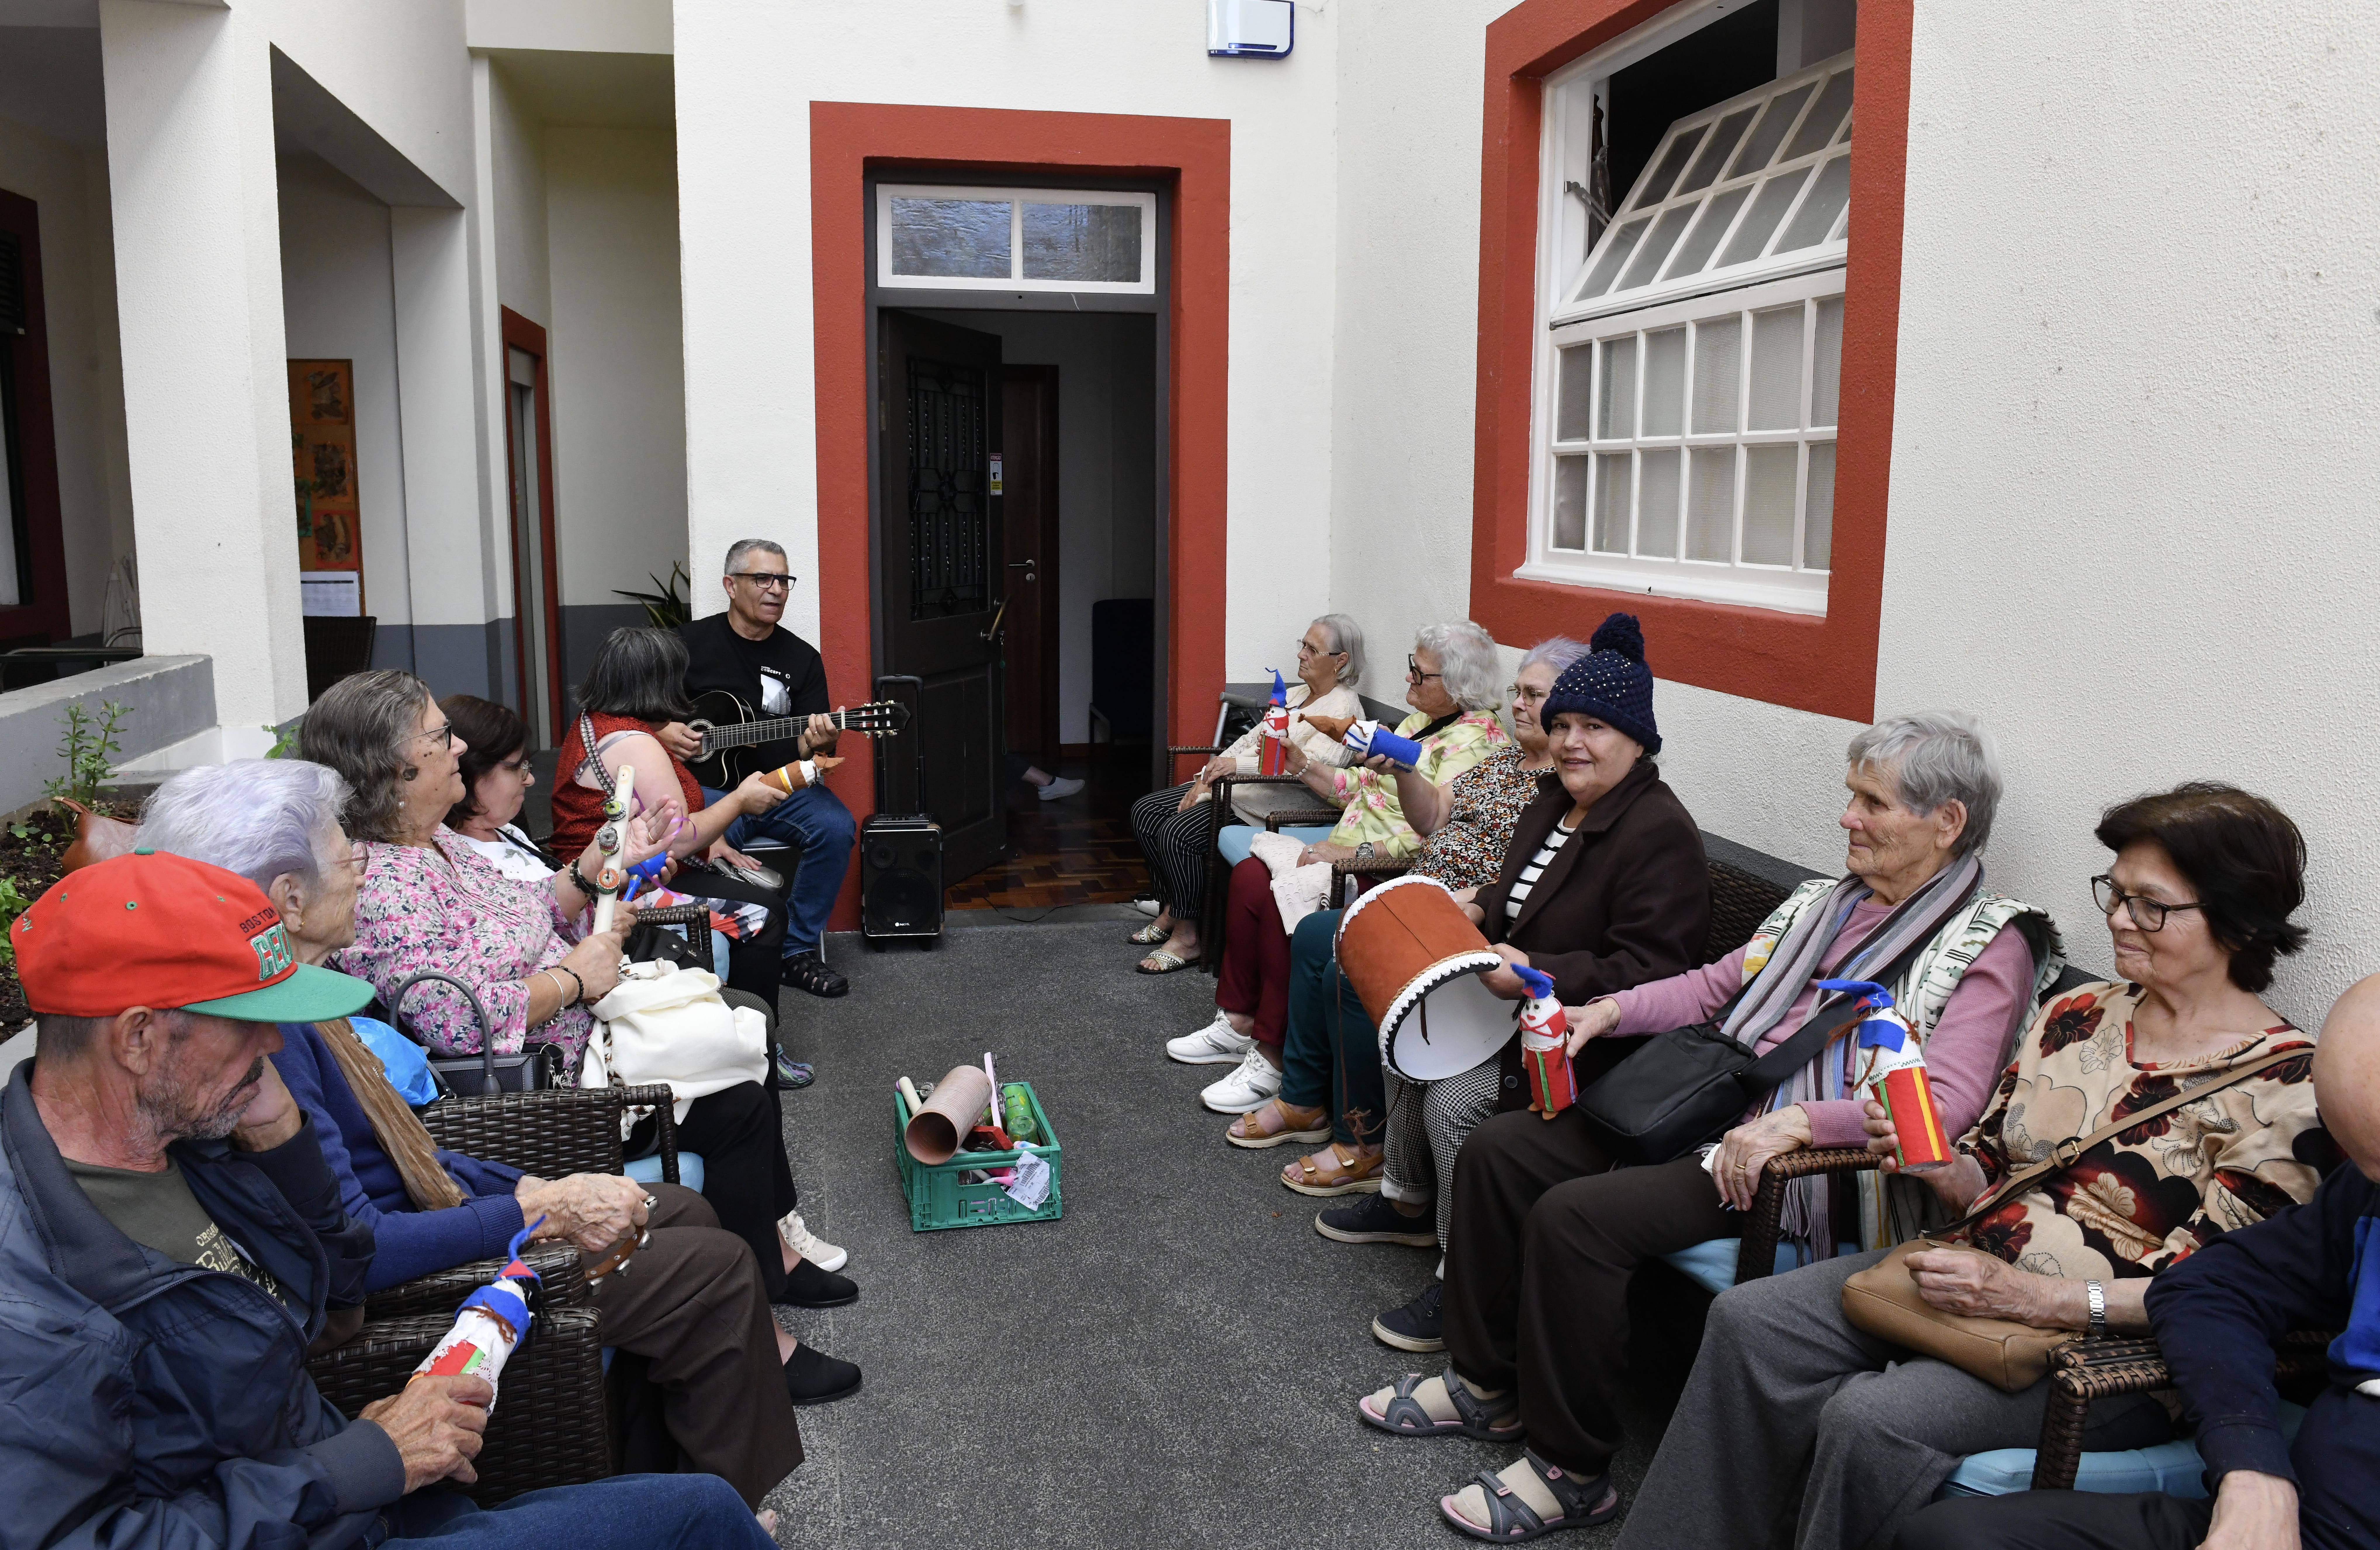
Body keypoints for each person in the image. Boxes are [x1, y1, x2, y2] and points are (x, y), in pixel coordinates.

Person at [1359, 711, 2063, 1540]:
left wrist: (1802, 1122)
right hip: (1712, 1105)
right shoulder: (1824, 902)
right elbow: (1710, 988)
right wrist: (1606, 1011)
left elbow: (1943, 1108)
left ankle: (1570, 1468)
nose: (1846, 817)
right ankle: (1486, 1384)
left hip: (1809, 1172)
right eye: (1851, 796)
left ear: (1945, 822)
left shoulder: (1992, 943)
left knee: (1577, 1218)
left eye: (1872, 803)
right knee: (1500, 1149)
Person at [1615, 781, 2329, 1550]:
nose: (2119, 919)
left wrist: (2035, 1298)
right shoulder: (2078, 1014)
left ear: (2239, 922)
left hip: (2103, 1347)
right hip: (1968, 1271)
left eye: (2150, 905)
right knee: (1749, 1320)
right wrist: (1934, 1165)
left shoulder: (2289, 1090)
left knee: (1873, 1419)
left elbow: (2210, 1295)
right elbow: (1988, 1168)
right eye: (2116, 893)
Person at [0, 849, 779, 1548]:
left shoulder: (186, 1142)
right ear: (138, 1039)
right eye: (247, 1024)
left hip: (358, 1494)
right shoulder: (27, 1298)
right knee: (703, 1516)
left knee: (686, 1506)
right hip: (335, 1506)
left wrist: (284, 1137)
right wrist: (355, 1463)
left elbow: (338, 1284)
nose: (273, 1046)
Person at [138, 760, 861, 1440]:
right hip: (444, 1248)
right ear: (289, 900)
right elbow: (359, 1242)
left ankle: (683, 1465)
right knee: (713, 1245)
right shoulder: (269, 1044)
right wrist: (537, 1208)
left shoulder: (306, 1002)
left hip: (452, 1192)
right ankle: (723, 1488)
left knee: (689, 1205)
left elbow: (409, 1153)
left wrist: (527, 1186)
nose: (359, 865)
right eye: (342, 855)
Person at [301, 675, 844, 1309]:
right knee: (739, 1083)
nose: (458, 748)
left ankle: (770, 1260)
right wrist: (574, 980)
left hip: (588, 1043)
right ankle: (766, 1278)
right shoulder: (386, 886)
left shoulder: (438, 841)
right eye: (441, 736)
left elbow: (530, 908)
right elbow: (454, 1020)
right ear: (398, 767)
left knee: (744, 1046)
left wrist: (596, 865)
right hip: (545, 1092)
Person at [1282, 621, 1712, 1355]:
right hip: (1507, 998)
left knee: (1456, 1097)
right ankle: (1407, 1203)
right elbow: (1513, 889)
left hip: (1583, 1034)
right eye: (1563, 725)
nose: (1571, 742)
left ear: (1637, 741)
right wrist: (1477, 908)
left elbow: (1654, 971)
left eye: (1594, 728)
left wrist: (1535, 964)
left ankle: (1467, 1279)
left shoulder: (1657, 833)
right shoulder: (1552, 800)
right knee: (1405, 1036)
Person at [1896, 972, 2380, 1550]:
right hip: (2297, 1518)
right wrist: (2252, 1472)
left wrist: (2040, 1299)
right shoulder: (2363, 1192)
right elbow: (2209, 1289)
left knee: (1879, 1417)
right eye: (2365, 1165)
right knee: (1952, 1538)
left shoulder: (2277, 1082)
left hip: (2101, 1362)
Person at [1188, 621, 1511, 1114]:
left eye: (1419, 673)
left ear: (1457, 685)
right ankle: (1238, 1020)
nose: (1407, 679)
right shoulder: (1418, 722)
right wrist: (1301, 764)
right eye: (1411, 666)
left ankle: (1273, 1054)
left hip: (1384, 869)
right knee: (1253, 874)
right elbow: (1360, 786)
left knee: (1285, 891)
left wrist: (1349, 856)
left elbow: (1431, 833)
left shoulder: (1478, 746)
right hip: (1343, 849)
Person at [442, 692, 796, 1060]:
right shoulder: (466, 864)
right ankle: (759, 1053)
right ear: (471, 772)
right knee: (758, 948)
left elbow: (553, 900)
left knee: (750, 1006)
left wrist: (626, 878)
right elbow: (535, 941)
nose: (531, 779)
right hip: (589, 1002)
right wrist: (738, 801)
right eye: (517, 767)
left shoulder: (506, 832)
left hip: (608, 948)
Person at [659, 538, 858, 999]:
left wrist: (819, 742)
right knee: (688, 838)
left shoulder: (801, 658)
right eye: (763, 578)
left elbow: (815, 753)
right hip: (705, 790)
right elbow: (635, 711)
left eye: (783, 580)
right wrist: (663, 729)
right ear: (731, 586)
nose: (776, 590)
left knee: (835, 826)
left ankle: (795, 949)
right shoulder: (684, 645)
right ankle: (718, 947)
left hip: (780, 787)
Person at [1129, 613, 1365, 973]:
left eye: (1311, 649)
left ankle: (1189, 937)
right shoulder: (1297, 695)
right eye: (1302, 645)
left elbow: (1313, 767)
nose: (1301, 654)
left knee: (1177, 833)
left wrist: (1230, 769)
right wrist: (1205, 777)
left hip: (1272, 806)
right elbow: (1247, 742)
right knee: (1146, 812)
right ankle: (1173, 909)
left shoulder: (1344, 710)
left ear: (1341, 660)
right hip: (1237, 790)